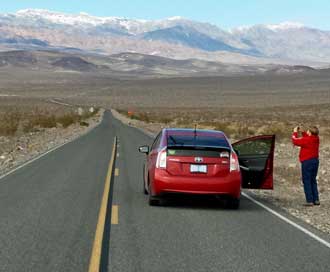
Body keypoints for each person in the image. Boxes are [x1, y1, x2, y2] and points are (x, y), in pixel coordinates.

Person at [292, 126, 320, 206]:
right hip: (315, 161)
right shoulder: (316, 139)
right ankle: (316, 199)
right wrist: (302, 132)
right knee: (313, 180)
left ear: (310, 133)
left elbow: (295, 141)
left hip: (307, 162)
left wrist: (294, 132)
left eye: (308, 131)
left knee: (307, 180)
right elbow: (307, 138)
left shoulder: (307, 140)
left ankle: (309, 200)